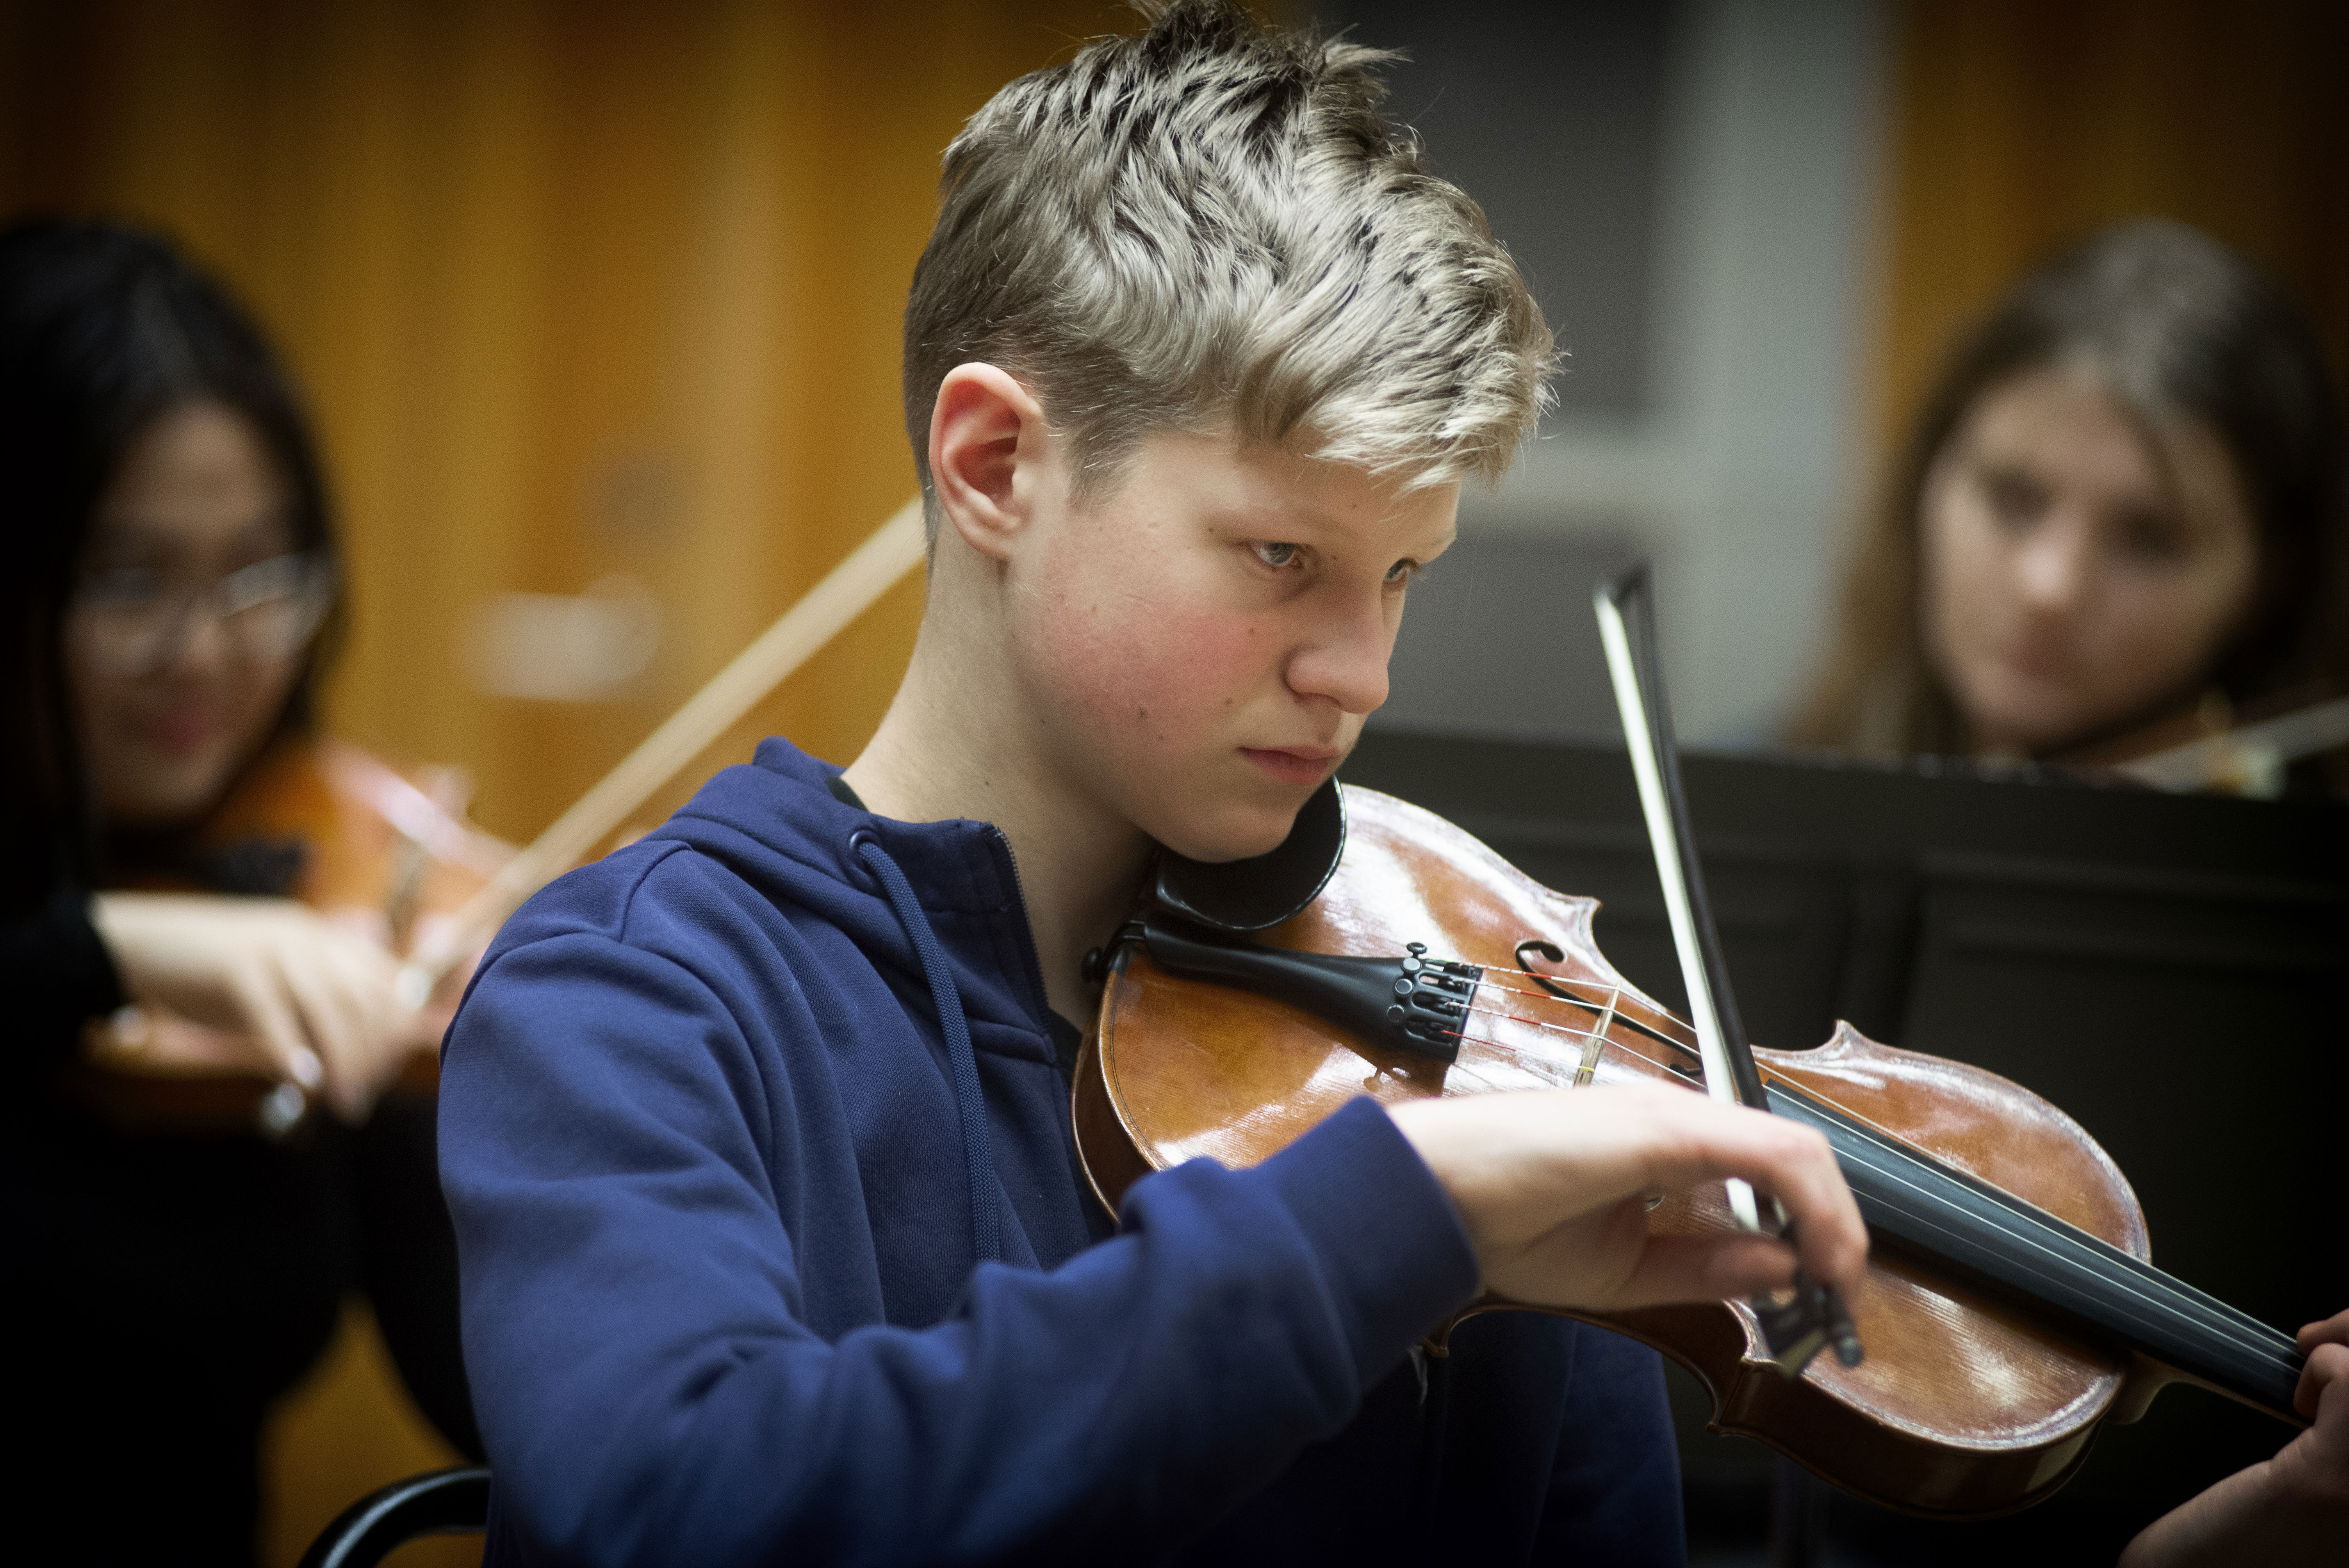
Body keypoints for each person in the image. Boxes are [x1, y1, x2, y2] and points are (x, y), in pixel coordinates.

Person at [437, 7, 1865, 1565]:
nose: (1361, 672)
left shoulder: (1442, 1055)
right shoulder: (631, 993)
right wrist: (1381, 1231)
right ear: (995, 464)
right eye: (1281, 554)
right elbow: (666, 1508)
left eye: (1402, 573)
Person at [0, 218, 476, 1565]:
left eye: (261, 573)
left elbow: (486, 1391)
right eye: (128, 579)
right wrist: (106, 945)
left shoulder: (318, 890)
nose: (206, 653)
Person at [1790, 221, 2349, 776]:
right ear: (1929, 477)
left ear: (2267, 583)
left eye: (2150, 540)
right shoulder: (1767, 779)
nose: (2049, 587)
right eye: (2012, 499)